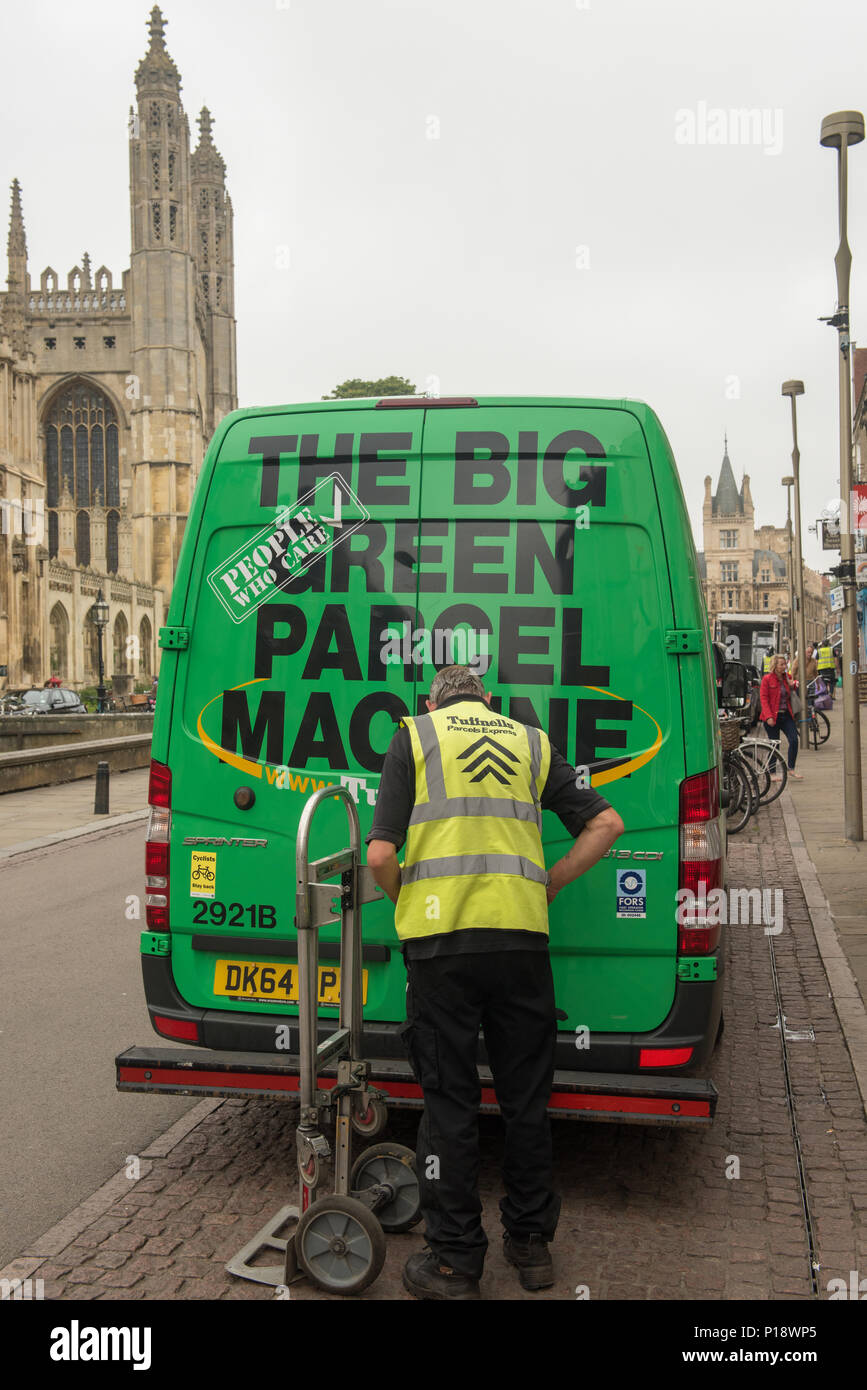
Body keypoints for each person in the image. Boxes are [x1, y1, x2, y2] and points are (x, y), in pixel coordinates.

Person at [365, 664, 624, 1299]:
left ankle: (455, 1261)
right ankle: (531, 1246)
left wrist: (409, 906)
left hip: (440, 949)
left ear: (432, 701)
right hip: (520, 943)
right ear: (487, 699)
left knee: (449, 1103)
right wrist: (552, 882)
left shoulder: (415, 736)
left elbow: (378, 855)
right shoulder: (530, 740)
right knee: (526, 1099)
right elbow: (606, 824)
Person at [760, 653, 801, 780]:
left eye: (785, 664)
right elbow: (764, 699)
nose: (784, 666)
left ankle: (791, 768)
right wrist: (768, 717)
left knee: (794, 740)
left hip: (786, 715)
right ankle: (771, 772)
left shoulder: (786, 678)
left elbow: (793, 686)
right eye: (781, 664)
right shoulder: (767, 679)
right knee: (774, 745)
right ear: (775, 665)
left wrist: (794, 684)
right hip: (772, 717)